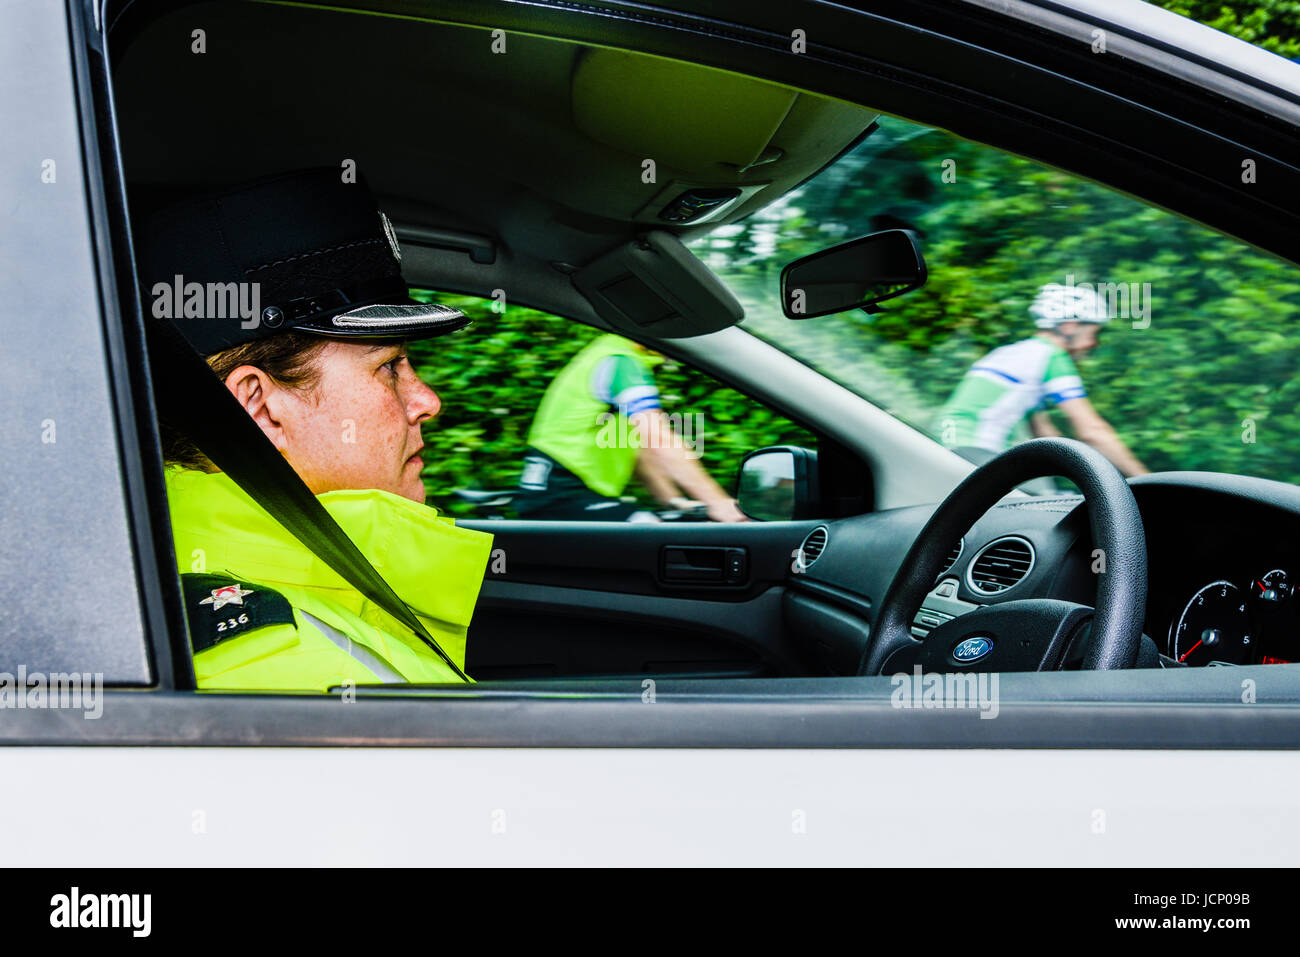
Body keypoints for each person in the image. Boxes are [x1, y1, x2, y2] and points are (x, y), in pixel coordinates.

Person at [139, 168, 494, 692]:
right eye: (389, 367)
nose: (427, 401)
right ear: (259, 408)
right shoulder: (287, 669)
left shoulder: (321, 597)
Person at [515, 333, 748, 522]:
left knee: (656, 532)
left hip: (561, 491)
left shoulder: (608, 353)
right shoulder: (621, 362)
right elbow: (658, 438)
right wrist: (718, 503)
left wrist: (673, 501)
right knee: (647, 535)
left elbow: (641, 448)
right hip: (564, 490)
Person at [935, 282, 1149, 476]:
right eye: (1092, 333)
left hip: (948, 445)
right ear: (1070, 326)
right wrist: (1146, 479)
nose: (1093, 343)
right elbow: (1092, 431)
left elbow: (1045, 435)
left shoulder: (1015, 352)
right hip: (974, 453)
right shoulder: (1052, 356)